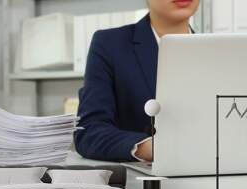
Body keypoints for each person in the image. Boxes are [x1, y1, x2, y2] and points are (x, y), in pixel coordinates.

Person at [74, 0, 199, 162]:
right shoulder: (110, 44)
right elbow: (89, 133)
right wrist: (148, 148)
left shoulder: (218, 52)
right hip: (141, 181)